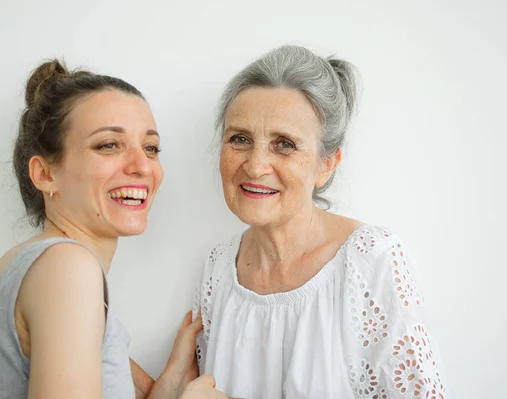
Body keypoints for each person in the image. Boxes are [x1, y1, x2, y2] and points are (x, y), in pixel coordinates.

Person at [0, 59, 228, 399]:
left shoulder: (32, 266)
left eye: (151, 148)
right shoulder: (66, 269)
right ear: (44, 174)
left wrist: (170, 382)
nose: (142, 166)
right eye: (108, 145)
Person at [192, 45, 449, 398]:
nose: (254, 165)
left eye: (284, 144)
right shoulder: (218, 269)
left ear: (327, 164)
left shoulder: (372, 260)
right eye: (240, 139)